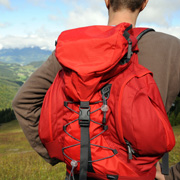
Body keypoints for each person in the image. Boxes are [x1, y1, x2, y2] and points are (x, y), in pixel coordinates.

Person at [12, 0, 180, 179]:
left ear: (107, 1)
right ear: (144, 3)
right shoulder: (171, 49)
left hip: (82, 171)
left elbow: (23, 102)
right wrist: (173, 175)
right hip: (141, 173)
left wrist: (60, 152)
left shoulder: (73, 48)